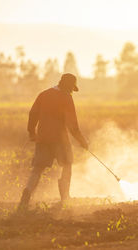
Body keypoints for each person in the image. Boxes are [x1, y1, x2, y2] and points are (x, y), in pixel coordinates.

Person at [18, 73, 88, 210]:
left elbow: (33, 114)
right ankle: (65, 197)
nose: (71, 92)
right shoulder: (66, 98)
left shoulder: (44, 94)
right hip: (60, 139)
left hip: (42, 137)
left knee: (37, 169)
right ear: (68, 86)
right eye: (71, 89)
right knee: (67, 164)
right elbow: (72, 125)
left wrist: (32, 132)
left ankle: (27, 193)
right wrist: (82, 140)